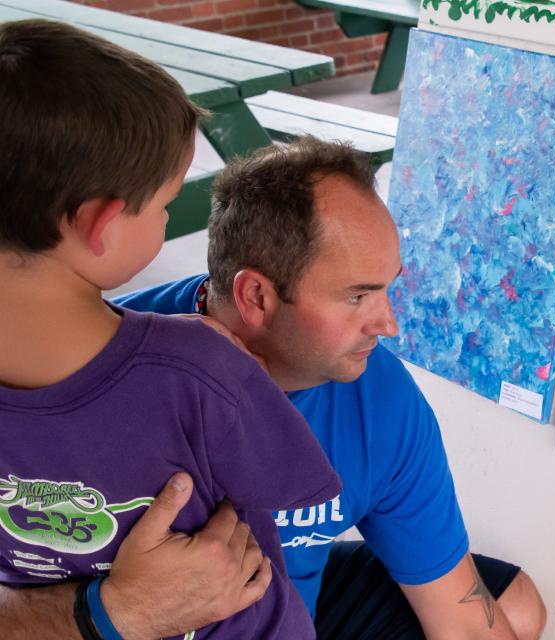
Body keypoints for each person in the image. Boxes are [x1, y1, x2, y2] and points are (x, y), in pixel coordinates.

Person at [115, 136, 548, 639]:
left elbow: (464, 621)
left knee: (509, 606)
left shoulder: (380, 398)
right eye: (358, 295)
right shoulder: (105, 360)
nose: (388, 324)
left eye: (387, 287)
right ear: (255, 295)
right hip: (141, 617)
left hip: (286, 606)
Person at [0, 20, 340, 639]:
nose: (164, 218)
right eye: (163, 205)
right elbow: (295, 493)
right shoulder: (204, 367)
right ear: (100, 223)